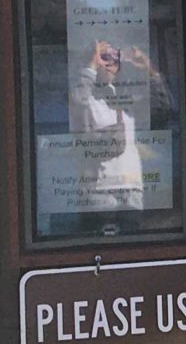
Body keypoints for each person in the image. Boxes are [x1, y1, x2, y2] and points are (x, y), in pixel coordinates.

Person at [69, 38, 166, 213]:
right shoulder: (86, 96)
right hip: (99, 190)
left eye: (115, 58)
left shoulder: (126, 99)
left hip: (131, 188)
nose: (109, 63)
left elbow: (163, 109)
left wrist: (149, 70)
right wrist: (90, 67)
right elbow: (77, 104)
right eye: (104, 57)